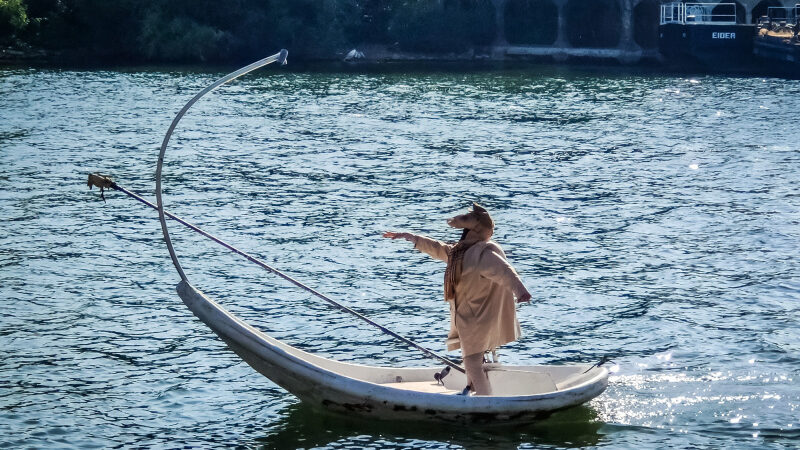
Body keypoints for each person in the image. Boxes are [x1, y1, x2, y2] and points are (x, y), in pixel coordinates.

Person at [383, 203, 531, 395]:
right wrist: (412, 237)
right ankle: (474, 392)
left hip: (480, 316)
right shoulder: (460, 253)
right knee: (471, 359)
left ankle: (484, 402)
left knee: (471, 361)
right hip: (466, 316)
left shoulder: (484, 253)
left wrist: (520, 291)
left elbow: (505, 271)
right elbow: (438, 248)